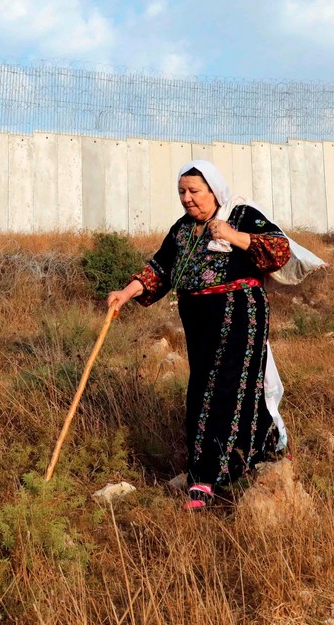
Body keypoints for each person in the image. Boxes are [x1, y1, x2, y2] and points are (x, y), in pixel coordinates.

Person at [107, 160, 291, 510]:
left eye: (194, 191)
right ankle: (262, 453)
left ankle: (206, 477)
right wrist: (126, 293)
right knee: (203, 387)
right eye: (182, 192)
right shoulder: (182, 230)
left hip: (239, 311)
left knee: (228, 386)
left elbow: (279, 249)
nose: (188, 199)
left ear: (213, 191)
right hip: (198, 318)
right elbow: (159, 267)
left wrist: (233, 237)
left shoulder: (240, 215)